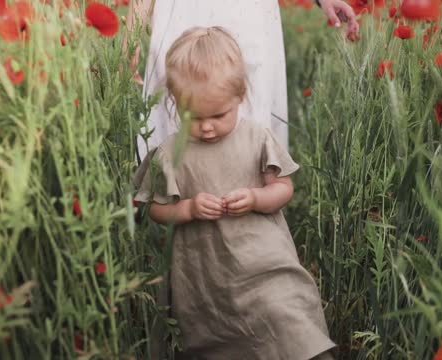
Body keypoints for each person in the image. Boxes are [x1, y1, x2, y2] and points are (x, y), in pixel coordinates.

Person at [134, 26, 336, 360]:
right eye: (194, 117)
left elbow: (284, 189)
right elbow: (156, 209)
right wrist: (187, 209)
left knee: (286, 320)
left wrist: (257, 198)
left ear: (240, 96)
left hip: (263, 263)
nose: (208, 126)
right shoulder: (170, 153)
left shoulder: (257, 138)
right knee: (223, 338)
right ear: (175, 102)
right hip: (207, 274)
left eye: (218, 114)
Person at [124, 0, 360, 161]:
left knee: (247, 112)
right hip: (185, 12)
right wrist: (132, 30)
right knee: (180, 101)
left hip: (247, 14)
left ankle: (250, 216)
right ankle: (175, 218)